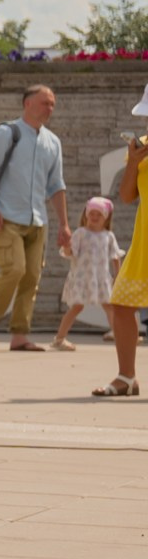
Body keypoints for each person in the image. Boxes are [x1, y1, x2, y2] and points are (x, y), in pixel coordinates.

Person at [0, 84, 70, 351]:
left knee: (31, 278)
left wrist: (64, 223)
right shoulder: (7, 133)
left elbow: (56, 185)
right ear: (27, 103)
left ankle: (19, 336)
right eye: (44, 103)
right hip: (6, 217)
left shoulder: (53, 142)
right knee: (14, 269)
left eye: (52, 104)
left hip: (38, 221)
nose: (49, 108)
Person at [100, 98, 148, 398]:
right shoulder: (142, 146)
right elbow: (128, 195)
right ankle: (126, 377)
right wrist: (133, 162)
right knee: (122, 303)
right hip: (144, 238)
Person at [58, 196, 124, 353]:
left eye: (98, 215)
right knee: (77, 307)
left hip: (100, 279)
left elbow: (115, 256)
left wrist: (118, 275)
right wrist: (67, 246)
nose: (94, 217)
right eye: (91, 214)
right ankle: (60, 338)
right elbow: (70, 253)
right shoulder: (81, 233)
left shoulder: (109, 236)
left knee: (109, 306)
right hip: (81, 278)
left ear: (106, 218)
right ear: (86, 215)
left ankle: (117, 334)